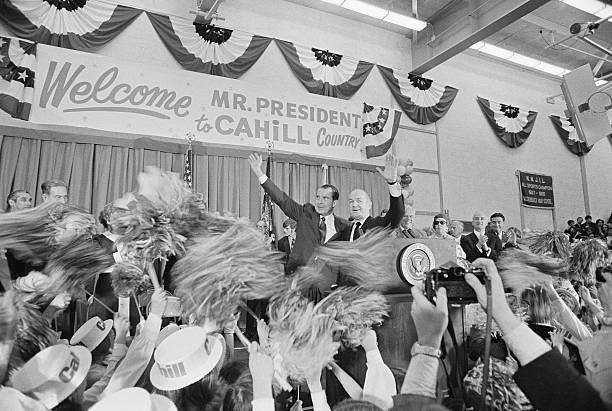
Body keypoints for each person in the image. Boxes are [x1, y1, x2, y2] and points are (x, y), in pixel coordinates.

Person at [248, 153, 349, 275]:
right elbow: (283, 200)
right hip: (299, 278)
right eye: (318, 197)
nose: (320, 202)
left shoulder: (343, 226)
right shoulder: (306, 214)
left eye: (325, 198)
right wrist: (259, 173)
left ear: (334, 203)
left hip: (325, 284)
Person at [340, 155, 404, 242]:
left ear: (369, 205)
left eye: (359, 201)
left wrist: (392, 183)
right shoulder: (344, 229)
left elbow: (397, 213)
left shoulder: (378, 225)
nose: (354, 204)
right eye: (351, 201)